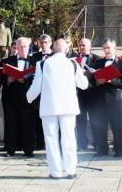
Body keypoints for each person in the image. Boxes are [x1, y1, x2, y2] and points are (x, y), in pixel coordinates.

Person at [27, 38, 88, 179]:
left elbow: (36, 86)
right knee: (69, 138)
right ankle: (71, 170)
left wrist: (28, 98)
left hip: (49, 106)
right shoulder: (73, 64)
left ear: (53, 48)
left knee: (51, 138)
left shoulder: (42, 64)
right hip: (68, 106)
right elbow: (84, 85)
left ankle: (55, 172)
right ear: (66, 49)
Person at [0, 37, 37, 157]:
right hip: (11, 98)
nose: (22, 49)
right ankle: (10, 150)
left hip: (28, 98)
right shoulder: (7, 61)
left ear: (29, 47)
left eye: (25, 46)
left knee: (28, 124)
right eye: (20, 46)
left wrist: (24, 79)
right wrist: (8, 79)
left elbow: (38, 78)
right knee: (11, 124)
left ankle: (29, 150)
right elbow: (0, 77)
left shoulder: (35, 60)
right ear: (16, 47)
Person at [92, 39, 122, 157]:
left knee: (116, 126)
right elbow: (93, 80)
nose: (106, 50)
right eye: (104, 48)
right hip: (100, 99)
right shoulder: (98, 62)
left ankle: (118, 150)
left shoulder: (121, 63)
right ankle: (102, 149)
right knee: (101, 125)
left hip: (114, 100)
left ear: (115, 48)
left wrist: (110, 80)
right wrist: (97, 81)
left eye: (108, 47)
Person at [75, 37, 100, 150]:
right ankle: (81, 144)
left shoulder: (97, 59)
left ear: (90, 46)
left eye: (83, 45)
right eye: (80, 45)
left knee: (95, 118)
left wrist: (89, 74)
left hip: (92, 92)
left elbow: (99, 75)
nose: (81, 47)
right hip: (79, 93)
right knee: (80, 119)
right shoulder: (74, 59)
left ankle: (96, 143)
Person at [30, 34, 53, 149]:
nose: (43, 45)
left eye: (46, 42)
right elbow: (30, 70)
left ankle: (51, 143)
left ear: (50, 43)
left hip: (51, 92)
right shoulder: (34, 56)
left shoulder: (55, 56)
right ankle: (39, 143)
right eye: (41, 42)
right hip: (38, 92)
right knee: (38, 117)